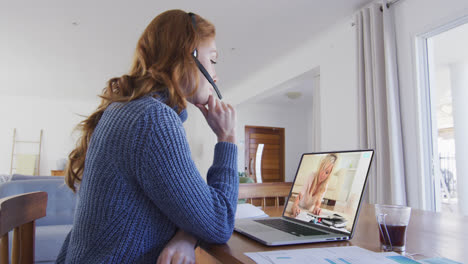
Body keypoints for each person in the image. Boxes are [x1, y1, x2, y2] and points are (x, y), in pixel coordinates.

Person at [56, 9, 238, 264]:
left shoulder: (131, 110)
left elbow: (188, 207)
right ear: (189, 56)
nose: (216, 75)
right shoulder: (153, 121)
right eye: (213, 60)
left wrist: (186, 234)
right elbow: (220, 222)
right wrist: (227, 138)